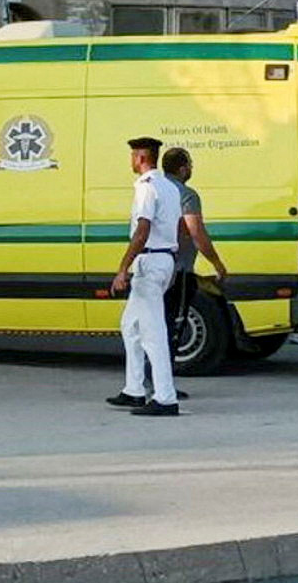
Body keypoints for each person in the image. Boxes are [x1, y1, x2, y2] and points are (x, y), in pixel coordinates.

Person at [107, 136, 183, 417]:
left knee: (153, 334)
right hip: (163, 260)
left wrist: (122, 267)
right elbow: (178, 228)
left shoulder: (146, 189)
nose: (131, 161)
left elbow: (142, 230)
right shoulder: (170, 187)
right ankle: (134, 389)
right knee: (130, 325)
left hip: (149, 262)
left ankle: (165, 398)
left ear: (140, 158)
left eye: (132, 156)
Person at [161, 147, 229, 382]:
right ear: (182, 168)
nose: (191, 168)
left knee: (155, 327)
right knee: (173, 326)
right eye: (189, 164)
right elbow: (196, 232)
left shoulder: (153, 190)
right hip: (179, 271)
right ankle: (164, 384)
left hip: (154, 269)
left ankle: (149, 382)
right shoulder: (186, 195)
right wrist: (216, 263)